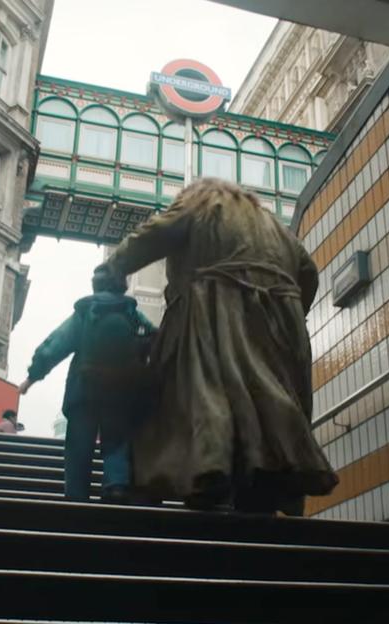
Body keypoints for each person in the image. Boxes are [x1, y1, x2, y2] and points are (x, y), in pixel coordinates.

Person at [99, 178, 338, 515]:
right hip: (280, 324)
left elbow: (155, 233)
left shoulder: (202, 202)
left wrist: (113, 266)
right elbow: (308, 272)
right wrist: (288, 312)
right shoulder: (273, 223)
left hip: (213, 307)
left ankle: (210, 474)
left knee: (208, 392)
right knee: (269, 402)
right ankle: (265, 485)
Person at [18, 267, 156, 503]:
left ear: (96, 284)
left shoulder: (85, 311)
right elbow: (155, 340)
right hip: (121, 391)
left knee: (78, 445)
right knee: (117, 440)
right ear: (122, 285)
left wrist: (32, 376)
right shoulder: (132, 314)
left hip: (84, 390)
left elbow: (55, 345)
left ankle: (76, 494)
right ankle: (115, 485)